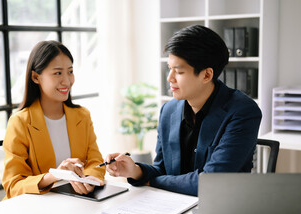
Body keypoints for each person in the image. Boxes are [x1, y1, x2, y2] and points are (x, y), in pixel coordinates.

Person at [105, 25, 262, 196]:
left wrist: (152, 181)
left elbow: (210, 182)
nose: (169, 78)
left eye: (178, 71)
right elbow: (162, 169)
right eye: (169, 68)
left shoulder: (243, 111)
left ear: (206, 75)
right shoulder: (169, 110)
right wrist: (136, 171)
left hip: (222, 210)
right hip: (174, 207)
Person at [2, 40, 105, 199]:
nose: (67, 81)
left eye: (70, 72)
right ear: (36, 77)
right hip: (34, 209)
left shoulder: (82, 116)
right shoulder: (20, 122)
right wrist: (55, 175)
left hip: (76, 202)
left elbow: (95, 161)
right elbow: (13, 185)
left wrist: (90, 179)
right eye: (58, 73)